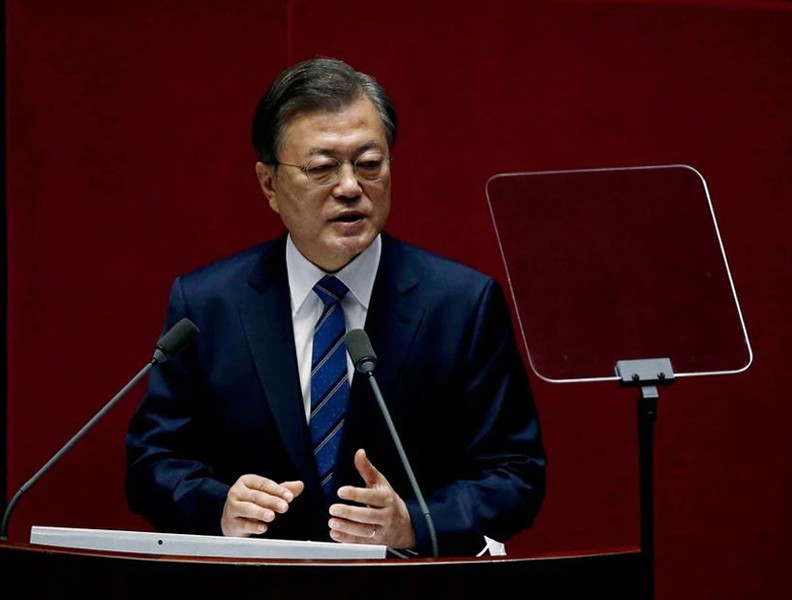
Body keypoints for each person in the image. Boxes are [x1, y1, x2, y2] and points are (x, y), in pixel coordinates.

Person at [124, 57, 545, 557]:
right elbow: (153, 461)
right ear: (269, 184)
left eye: (369, 164)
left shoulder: (461, 304)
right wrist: (218, 507)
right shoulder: (209, 303)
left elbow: (516, 473)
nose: (349, 187)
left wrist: (414, 523)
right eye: (322, 168)